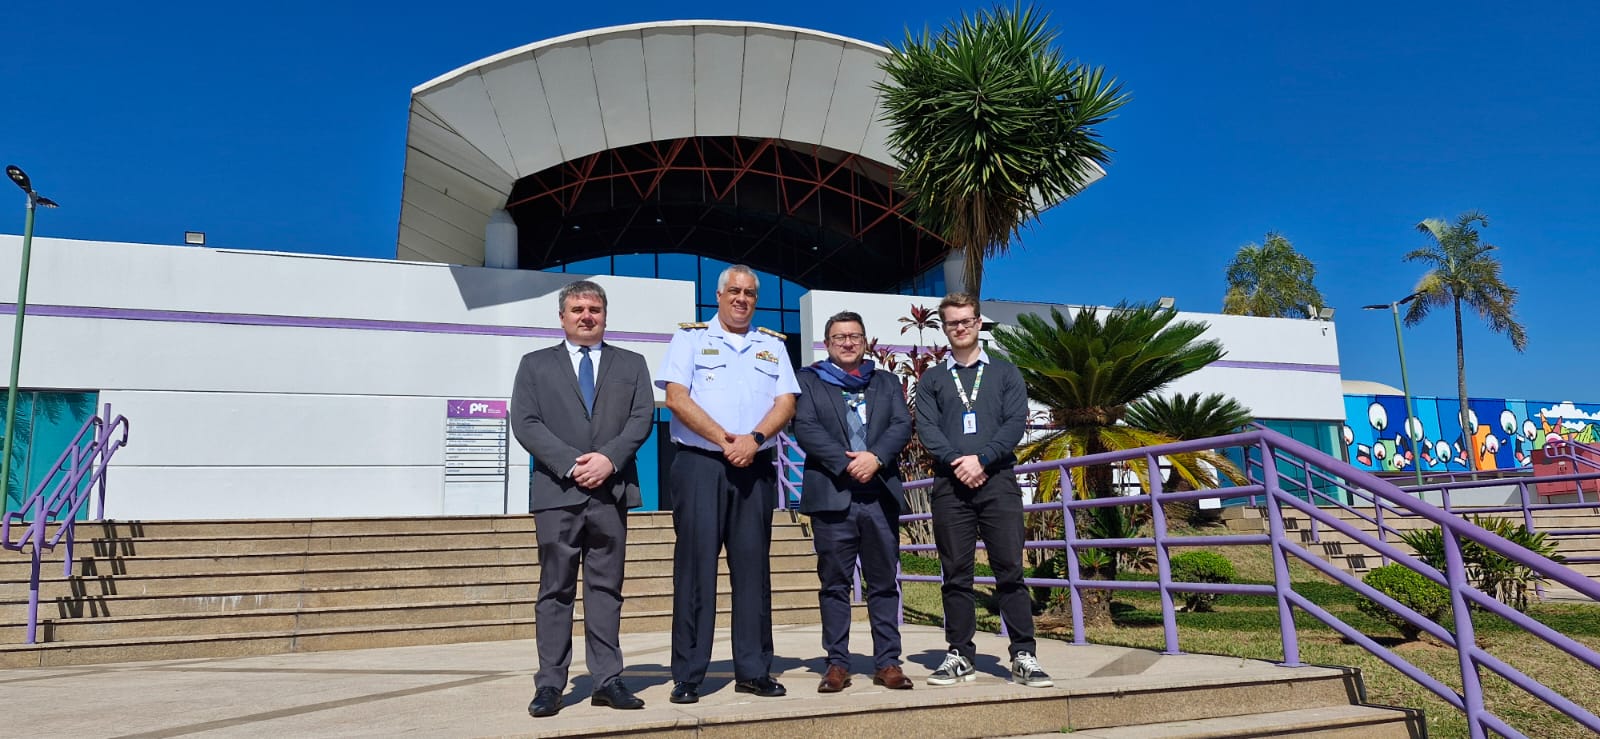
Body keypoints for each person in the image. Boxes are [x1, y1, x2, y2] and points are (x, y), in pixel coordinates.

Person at [511, 280, 656, 718]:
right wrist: (574, 464)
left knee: (606, 589)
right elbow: (526, 422)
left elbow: (642, 416)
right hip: (558, 492)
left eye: (594, 308)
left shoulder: (631, 364)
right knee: (555, 590)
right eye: (577, 309)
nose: (586, 315)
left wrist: (608, 460)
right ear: (562, 316)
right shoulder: (535, 365)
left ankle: (607, 679)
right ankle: (551, 684)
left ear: (605, 315)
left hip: (610, 492)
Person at [657, 264, 800, 704]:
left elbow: (786, 401)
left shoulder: (772, 346)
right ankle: (689, 674)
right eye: (734, 291)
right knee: (696, 569)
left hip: (753, 467)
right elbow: (676, 397)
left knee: (754, 570)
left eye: (750, 293)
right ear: (718, 296)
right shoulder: (691, 338)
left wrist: (754, 440)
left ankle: (754, 670)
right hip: (701, 464)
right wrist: (726, 440)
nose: (742, 298)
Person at [915, 292, 1053, 688]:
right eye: (952, 323)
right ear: (944, 329)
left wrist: (983, 460)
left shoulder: (1006, 373)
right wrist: (960, 462)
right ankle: (959, 654)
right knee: (955, 574)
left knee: (1009, 570)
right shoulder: (933, 379)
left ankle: (1023, 654)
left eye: (966, 321)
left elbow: (1014, 424)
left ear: (978, 323)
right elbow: (927, 429)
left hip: (999, 483)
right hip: (950, 486)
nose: (960, 328)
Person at [791, 311, 915, 693]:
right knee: (834, 585)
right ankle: (837, 664)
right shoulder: (809, 381)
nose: (847, 342)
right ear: (827, 343)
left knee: (883, 584)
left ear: (864, 342)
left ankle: (888, 662)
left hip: (879, 495)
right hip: (833, 496)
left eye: (855, 336)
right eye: (839, 337)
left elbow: (901, 424)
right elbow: (805, 427)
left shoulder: (886, 381)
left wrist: (874, 457)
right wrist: (847, 465)